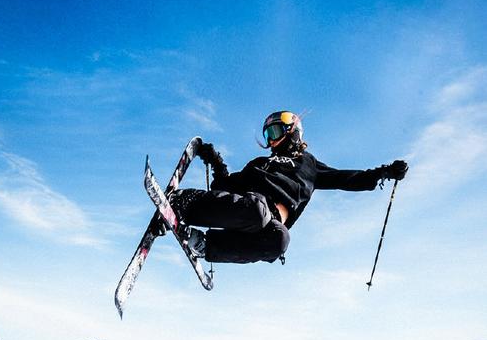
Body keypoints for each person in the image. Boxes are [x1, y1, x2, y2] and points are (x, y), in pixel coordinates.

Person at [169, 111, 408, 264]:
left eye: (274, 132)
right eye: (267, 135)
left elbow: (348, 178)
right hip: (251, 209)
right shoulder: (260, 164)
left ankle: (206, 246)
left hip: (266, 224)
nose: (271, 141)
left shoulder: (309, 165)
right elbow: (225, 186)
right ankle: (185, 203)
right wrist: (215, 161)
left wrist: (384, 172)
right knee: (255, 210)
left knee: (280, 240)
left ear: (292, 131)